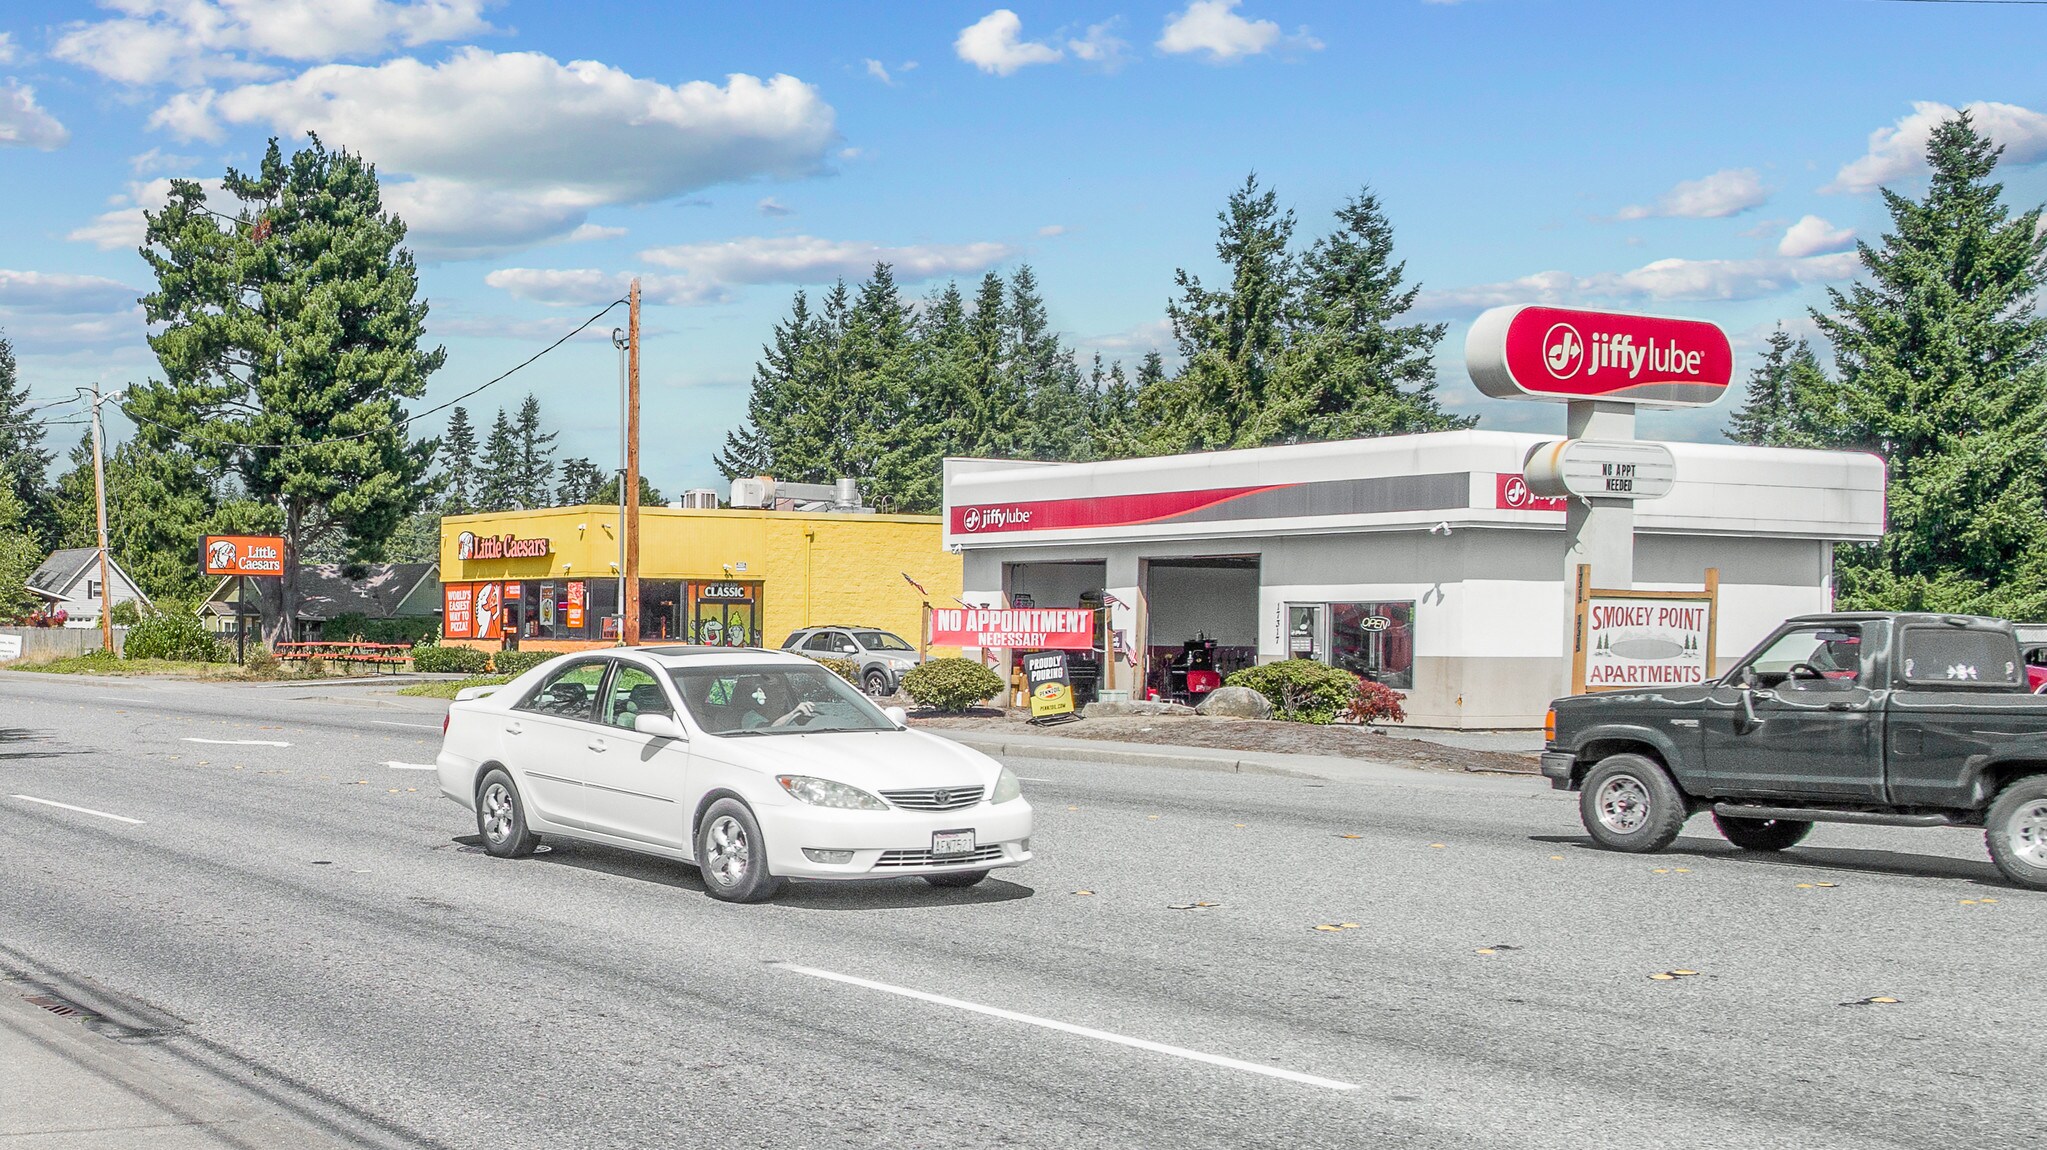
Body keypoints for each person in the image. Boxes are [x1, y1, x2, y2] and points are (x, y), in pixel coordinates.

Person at [736, 675, 814, 730]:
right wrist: (792, 714)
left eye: (783, 694)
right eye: (776, 693)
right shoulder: (750, 717)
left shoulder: (791, 713)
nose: (782, 698)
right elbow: (767, 730)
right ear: (763, 694)